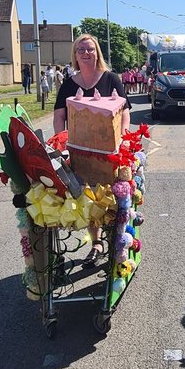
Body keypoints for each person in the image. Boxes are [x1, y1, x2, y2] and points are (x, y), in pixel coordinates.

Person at [54, 34, 131, 267]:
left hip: (111, 150)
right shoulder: (69, 83)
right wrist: (61, 140)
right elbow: (59, 115)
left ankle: (116, 241)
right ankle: (96, 243)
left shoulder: (110, 78)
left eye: (90, 49)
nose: (86, 53)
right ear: (75, 55)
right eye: (81, 50)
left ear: (97, 52)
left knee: (113, 196)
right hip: (80, 150)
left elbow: (125, 110)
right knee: (90, 195)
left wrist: (124, 137)